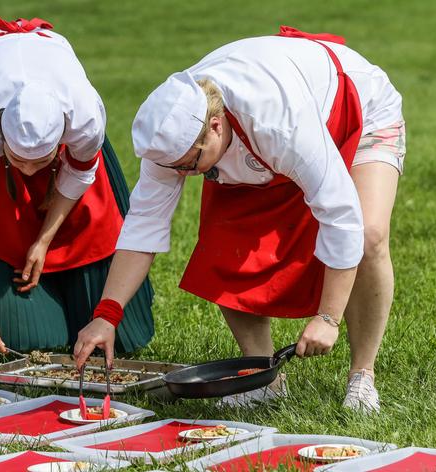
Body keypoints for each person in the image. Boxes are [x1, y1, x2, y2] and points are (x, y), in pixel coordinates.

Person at [73, 26, 404, 413]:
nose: (185, 175)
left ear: (215, 126)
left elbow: (340, 214)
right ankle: (264, 378)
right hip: (255, 149)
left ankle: (362, 376)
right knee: (224, 249)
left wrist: (328, 318)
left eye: (191, 166)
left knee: (369, 234)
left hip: (359, 110)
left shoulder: (277, 119)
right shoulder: (172, 140)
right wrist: (107, 315)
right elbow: (144, 224)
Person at [0, 10, 154, 378]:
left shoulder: (85, 116)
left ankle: (73, 293)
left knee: (118, 337)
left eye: (40, 162)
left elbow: (80, 173)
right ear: (0, 140)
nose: (30, 173)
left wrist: (44, 240)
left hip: (55, 97)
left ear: (62, 137)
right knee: (23, 333)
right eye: (18, 161)